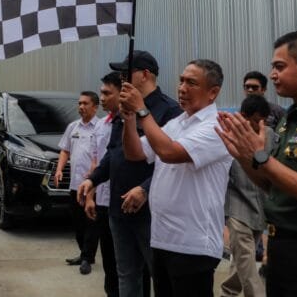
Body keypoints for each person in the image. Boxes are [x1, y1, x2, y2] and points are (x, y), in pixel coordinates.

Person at [216, 30, 297, 297]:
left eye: (279, 67)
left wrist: (262, 158)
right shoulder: (287, 119)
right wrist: (243, 155)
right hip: (279, 243)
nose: (272, 74)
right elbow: (271, 185)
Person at [120, 59, 231, 297]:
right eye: (181, 80)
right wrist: (129, 119)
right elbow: (135, 153)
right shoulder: (177, 123)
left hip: (193, 244)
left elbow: (170, 153)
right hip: (163, 239)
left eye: (192, 83)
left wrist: (142, 110)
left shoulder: (216, 126)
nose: (182, 88)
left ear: (213, 92)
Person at [78, 51, 181, 297]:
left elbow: (171, 163)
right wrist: (92, 180)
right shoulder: (123, 111)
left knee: (161, 277)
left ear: (144, 75)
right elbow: (113, 153)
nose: (122, 79)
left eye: (126, 74)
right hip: (118, 208)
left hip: (150, 212)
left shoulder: (169, 111)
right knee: (126, 273)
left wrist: (146, 188)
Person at [221, 95, 270, 297]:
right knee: (246, 259)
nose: (260, 124)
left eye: (263, 120)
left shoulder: (271, 136)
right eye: (256, 119)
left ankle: (228, 292)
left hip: (261, 207)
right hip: (237, 206)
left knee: (242, 259)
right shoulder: (227, 137)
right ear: (243, 116)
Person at [84, 71, 124, 296]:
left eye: (108, 93)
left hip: (126, 202)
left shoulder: (134, 123)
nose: (103, 98)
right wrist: (90, 195)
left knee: (129, 266)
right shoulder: (101, 126)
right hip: (104, 202)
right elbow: (96, 162)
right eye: (101, 93)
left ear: (122, 93)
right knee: (109, 264)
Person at [56, 91, 100, 275]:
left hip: (94, 186)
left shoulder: (100, 128)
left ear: (95, 107)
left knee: (91, 224)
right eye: (79, 103)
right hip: (74, 185)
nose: (81, 107)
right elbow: (65, 150)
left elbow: (98, 157)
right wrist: (59, 169)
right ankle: (84, 254)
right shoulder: (73, 127)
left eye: (85, 104)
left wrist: (93, 177)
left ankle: (87, 259)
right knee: (78, 223)